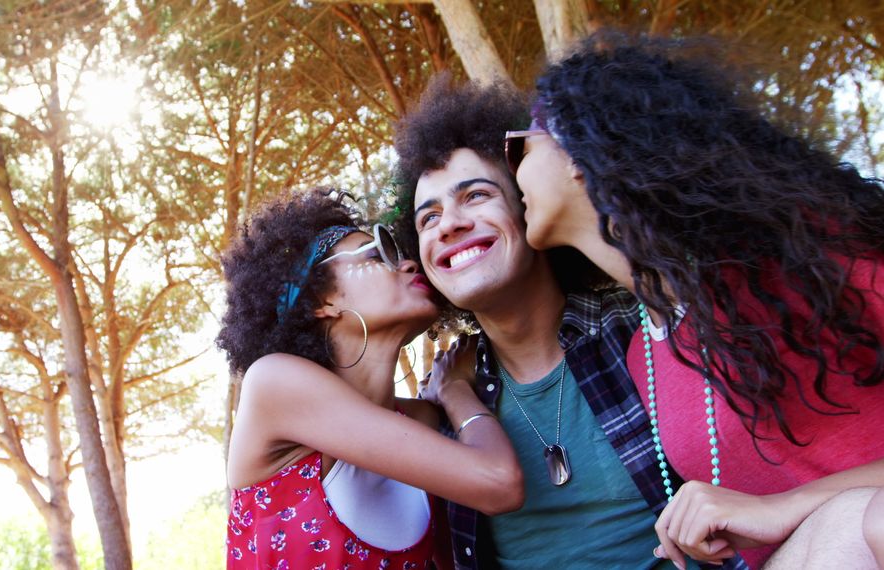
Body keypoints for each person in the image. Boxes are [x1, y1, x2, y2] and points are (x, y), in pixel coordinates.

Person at [509, 32, 884, 569]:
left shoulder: (807, 255)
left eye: (517, 147)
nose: (511, 171)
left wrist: (788, 508)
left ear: (575, 149)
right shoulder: (644, 354)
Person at [390, 76, 696, 569]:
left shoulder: (642, 327)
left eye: (475, 196)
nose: (448, 224)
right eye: (428, 219)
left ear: (528, 206)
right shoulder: (445, 403)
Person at [217, 188, 525, 569]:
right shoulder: (274, 383)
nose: (409, 264)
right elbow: (499, 483)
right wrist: (456, 390)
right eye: (376, 253)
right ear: (322, 301)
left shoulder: (422, 419)